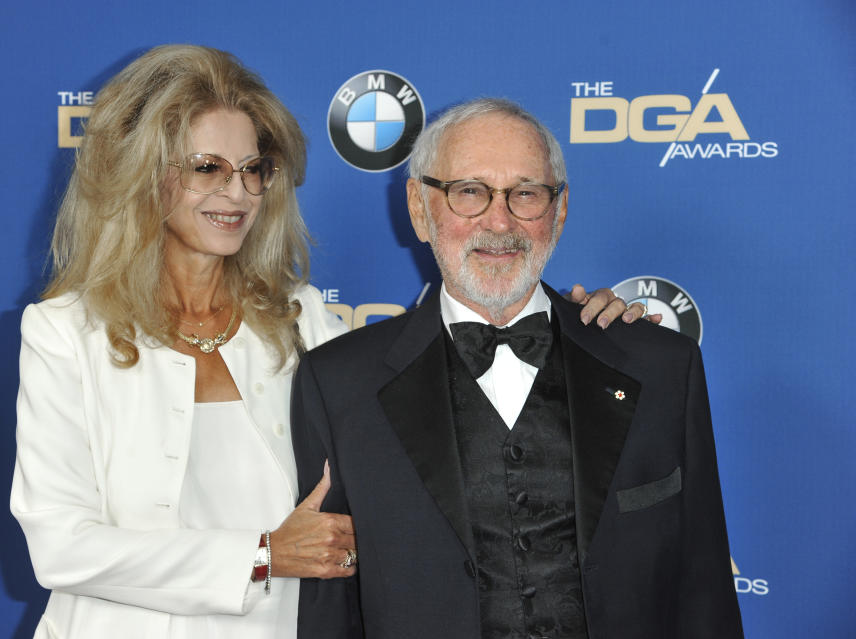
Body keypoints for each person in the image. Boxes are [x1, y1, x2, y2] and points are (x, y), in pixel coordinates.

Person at [10, 47, 641, 638]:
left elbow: (437, 390)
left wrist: (575, 332)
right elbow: (62, 547)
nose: (238, 193)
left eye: (253, 169)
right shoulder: (65, 333)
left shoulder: (301, 318)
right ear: (143, 175)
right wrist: (262, 556)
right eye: (208, 168)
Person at [291, 98, 743, 639]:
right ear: (419, 208)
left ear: (561, 209)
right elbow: (329, 607)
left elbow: (704, 590)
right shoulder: (338, 382)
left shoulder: (661, 366)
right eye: (470, 192)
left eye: (525, 193)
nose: (499, 221)